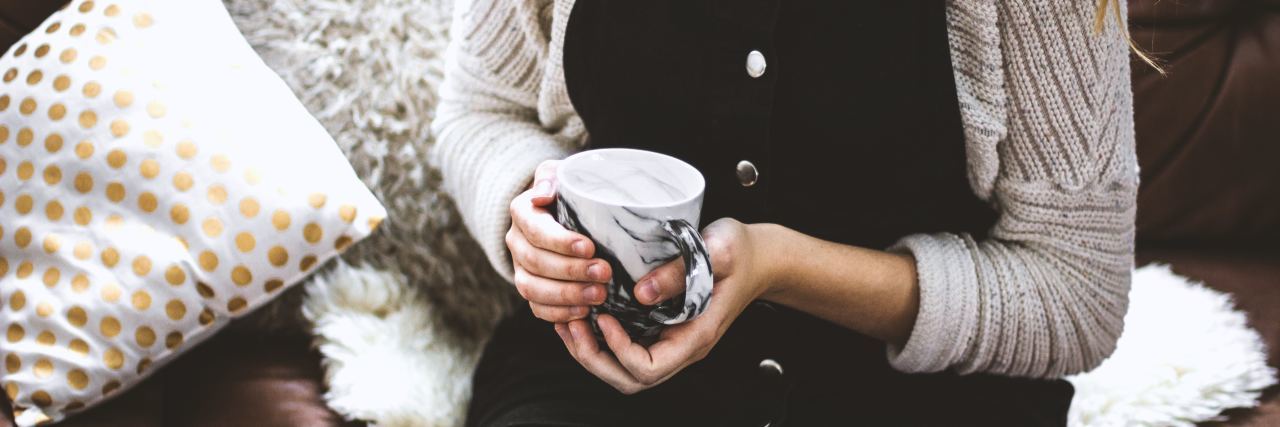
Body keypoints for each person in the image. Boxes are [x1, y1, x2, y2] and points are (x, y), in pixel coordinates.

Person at [431, 1, 1139, 425]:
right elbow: (482, 111)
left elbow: (1079, 290)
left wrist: (781, 266)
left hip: (919, 403)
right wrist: (531, 212)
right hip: (588, 383)